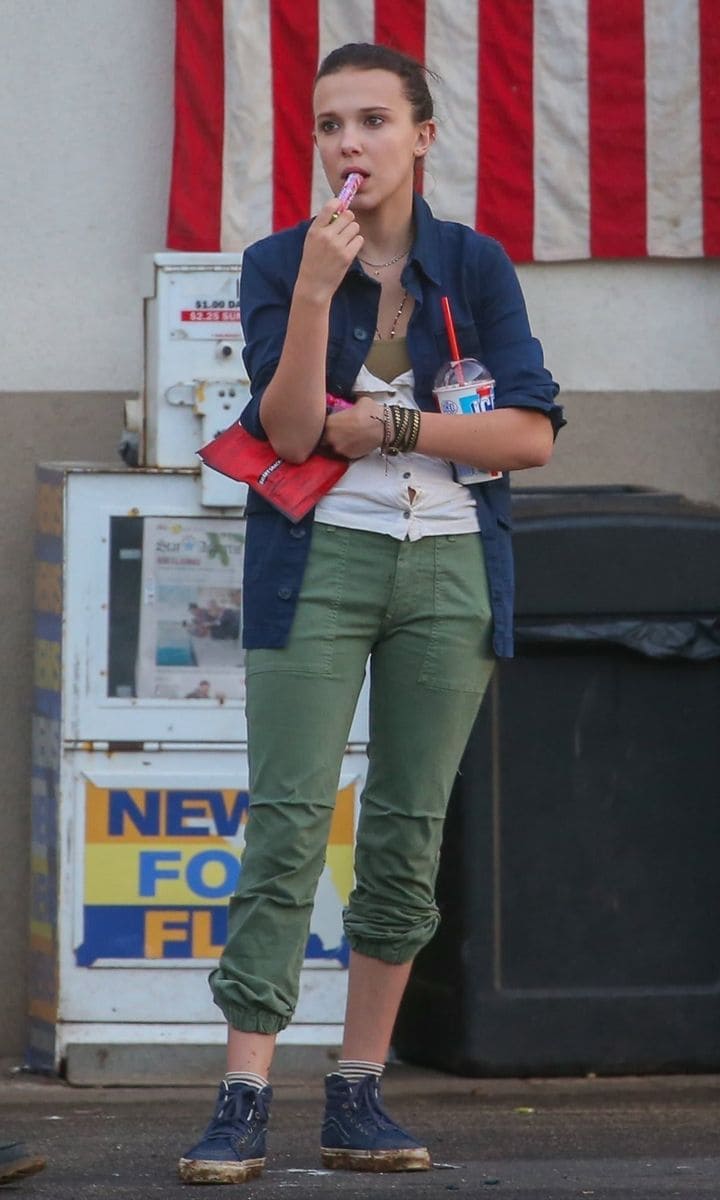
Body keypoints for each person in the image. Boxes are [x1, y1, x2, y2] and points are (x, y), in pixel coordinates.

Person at [179, 41, 563, 1185]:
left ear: (422, 136)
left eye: (372, 122)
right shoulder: (276, 262)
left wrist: (392, 428)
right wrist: (310, 290)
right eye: (329, 126)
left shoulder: (475, 266)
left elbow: (530, 433)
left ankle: (358, 1090)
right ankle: (244, 1093)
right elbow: (293, 432)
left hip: (451, 566)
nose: (349, 144)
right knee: (290, 818)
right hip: (321, 560)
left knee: (405, 833)